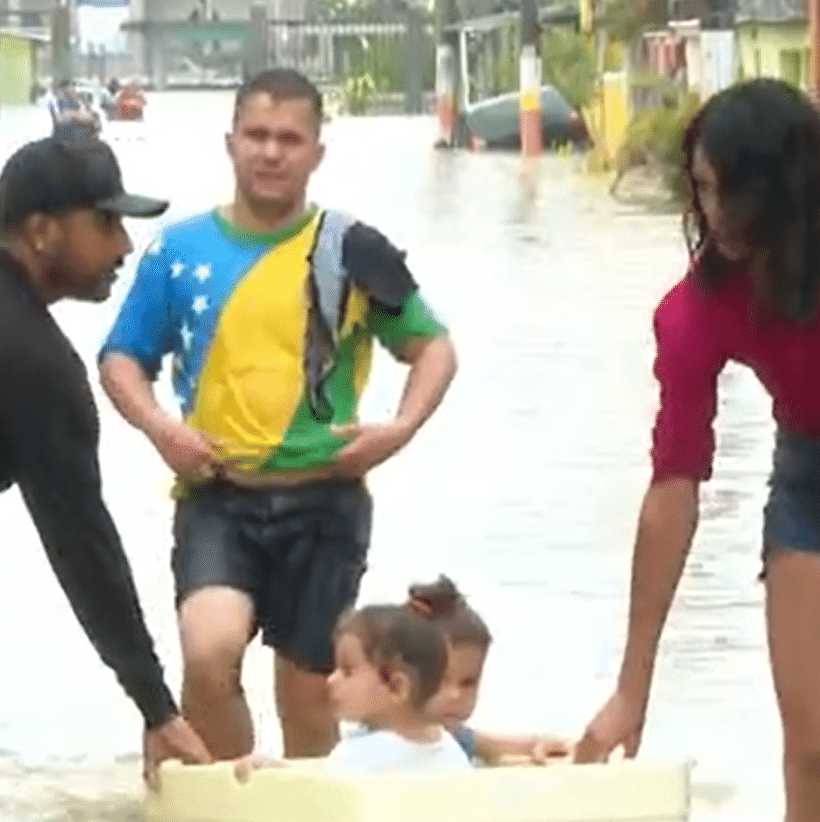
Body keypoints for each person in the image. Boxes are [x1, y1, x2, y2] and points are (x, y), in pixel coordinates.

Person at [97, 67, 458, 762]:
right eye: (257, 136)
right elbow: (121, 361)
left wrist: (399, 429)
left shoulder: (352, 249)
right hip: (217, 499)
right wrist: (161, 430)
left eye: (289, 139)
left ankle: (308, 806)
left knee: (308, 690)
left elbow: (433, 347)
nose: (271, 152)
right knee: (208, 656)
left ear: (317, 152)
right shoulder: (177, 252)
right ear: (230, 143)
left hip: (326, 501)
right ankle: (239, 800)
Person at [574, 78, 820, 822]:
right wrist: (631, 686)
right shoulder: (699, 309)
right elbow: (674, 483)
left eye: (727, 191)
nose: (711, 213)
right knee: (812, 747)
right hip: (810, 473)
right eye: (702, 189)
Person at [0, 136, 212, 786]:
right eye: (105, 222)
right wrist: (157, 707)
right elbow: (82, 546)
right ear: (41, 231)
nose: (124, 245)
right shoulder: (34, 366)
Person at [410, 576, 570, 764]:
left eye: (468, 683)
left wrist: (539, 745)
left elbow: (495, 744)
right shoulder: (372, 740)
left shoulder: (450, 737)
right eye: (440, 680)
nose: (455, 695)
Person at [325, 603, 471, 772]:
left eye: (347, 671)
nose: (331, 680)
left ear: (397, 688)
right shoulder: (453, 753)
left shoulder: (352, 757)